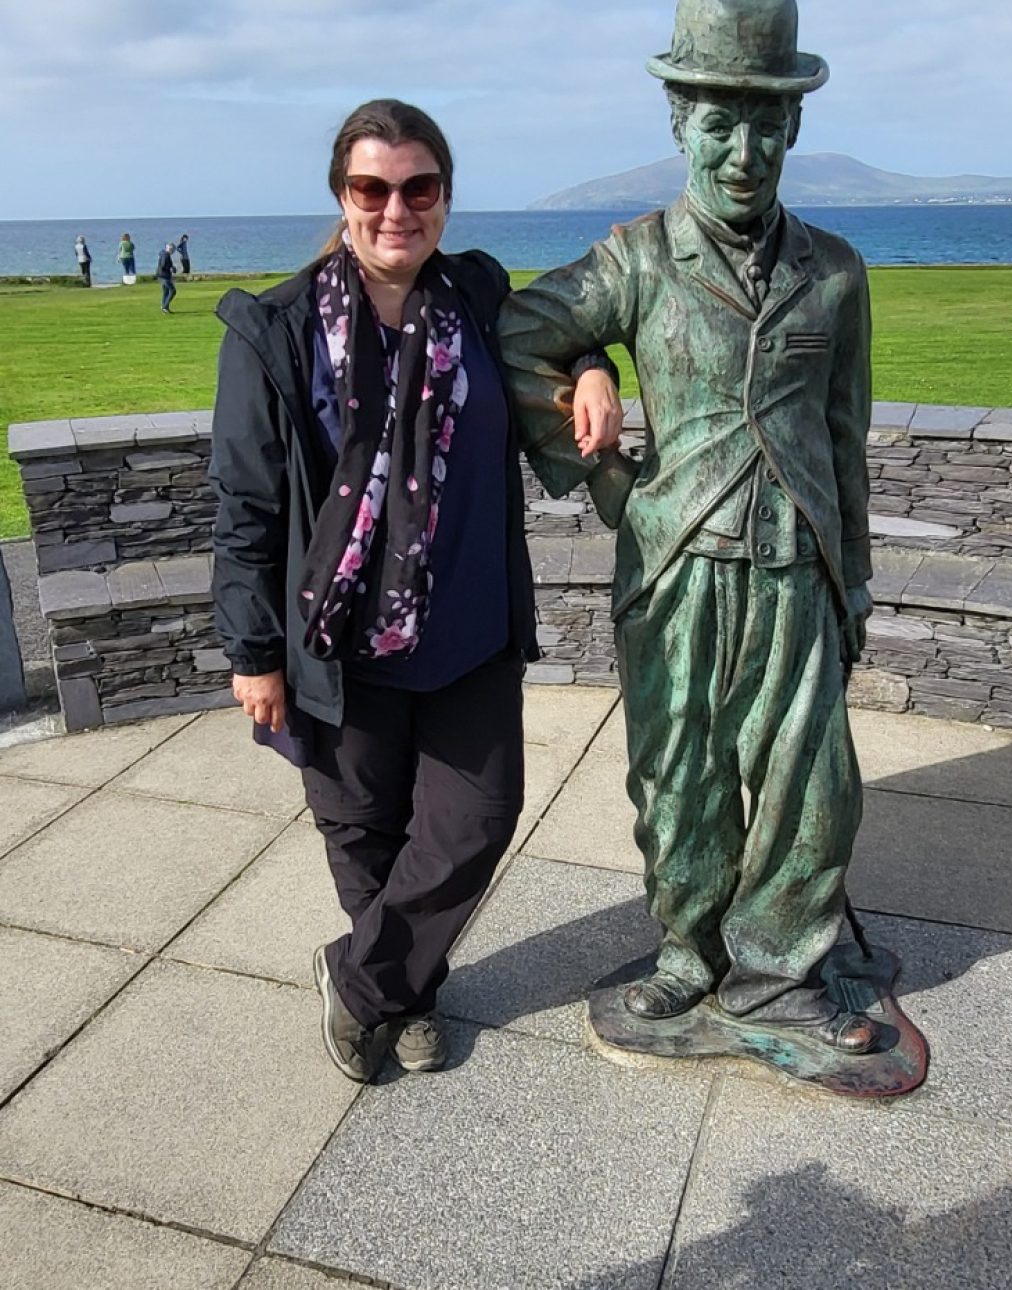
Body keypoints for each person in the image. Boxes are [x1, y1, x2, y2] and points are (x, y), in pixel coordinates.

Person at [209, 99, 622, 1084]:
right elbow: (247, 508)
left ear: (444, 196)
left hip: (468, 633)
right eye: (372, 188)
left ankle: (358, 984)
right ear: (342, 198)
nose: (397, 207)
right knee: (364, 834)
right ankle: (411, 995)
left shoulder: (477, 294)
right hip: (337, 647)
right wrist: (252, 653)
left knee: (474, 824)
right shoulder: (278, 330)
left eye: (419, 187)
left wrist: (597, 365)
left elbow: (565, 334)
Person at [499, 0, 880, 1056]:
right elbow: (517, 337)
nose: (742, 150)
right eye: (718, 122)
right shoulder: (634, 259)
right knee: (678, 779)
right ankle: (686, 951)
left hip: (795, 565)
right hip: (675, 567)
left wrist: (851, 578)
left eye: (764, 124)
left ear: (794, 129)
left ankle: (782, 967)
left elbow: (842, 438)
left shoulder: (836, 272)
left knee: (815, 787)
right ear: (679, 122)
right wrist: (597, 419)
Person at [156, 243, 177, 312]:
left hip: (161, 275)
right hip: (164, 276)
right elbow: (163, 265)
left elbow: (164, 265)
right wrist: (171, 268)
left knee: (166, 292)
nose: (173, 251)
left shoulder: (163, 253)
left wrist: (171, 267)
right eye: (172, 250)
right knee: (173, 291)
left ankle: (165, 307)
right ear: (170, 249)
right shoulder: (166, 255)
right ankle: (164, 307)